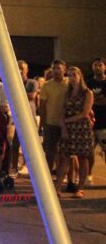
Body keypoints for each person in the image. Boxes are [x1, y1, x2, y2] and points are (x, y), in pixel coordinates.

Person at [55, 66, 94, 198]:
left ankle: (80, 188)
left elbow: (84, 113)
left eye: (74, 75)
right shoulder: (67, 93)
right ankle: (57, 187)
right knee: (65, 158)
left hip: (82, 129)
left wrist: (67, 120)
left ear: (80, 76)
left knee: (83, 158)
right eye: (69, 75)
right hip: (69, 129)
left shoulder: (87, 93)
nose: (71, 78)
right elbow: (61, 112)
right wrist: (64, 127)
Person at [40, 60, 68, 173]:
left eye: (59, 68)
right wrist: (43, 123)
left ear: (64, 69)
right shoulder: (47, 85)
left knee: (65, 153)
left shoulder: (69, 84)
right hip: (50, 123)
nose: (56, 71)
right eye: (54, 68)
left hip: (67, 123)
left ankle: (63, 176)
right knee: (50, 152)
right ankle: (48, 176)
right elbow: (42, 106)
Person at [87, 58, 106, 184]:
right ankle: (88, 175)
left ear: (105, 67)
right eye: (95, 65)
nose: (98, 67)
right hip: (90, 123)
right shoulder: (88, 83)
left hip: (105, 124)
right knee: (89, 152)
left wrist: (95, 100)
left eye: (100, 65)